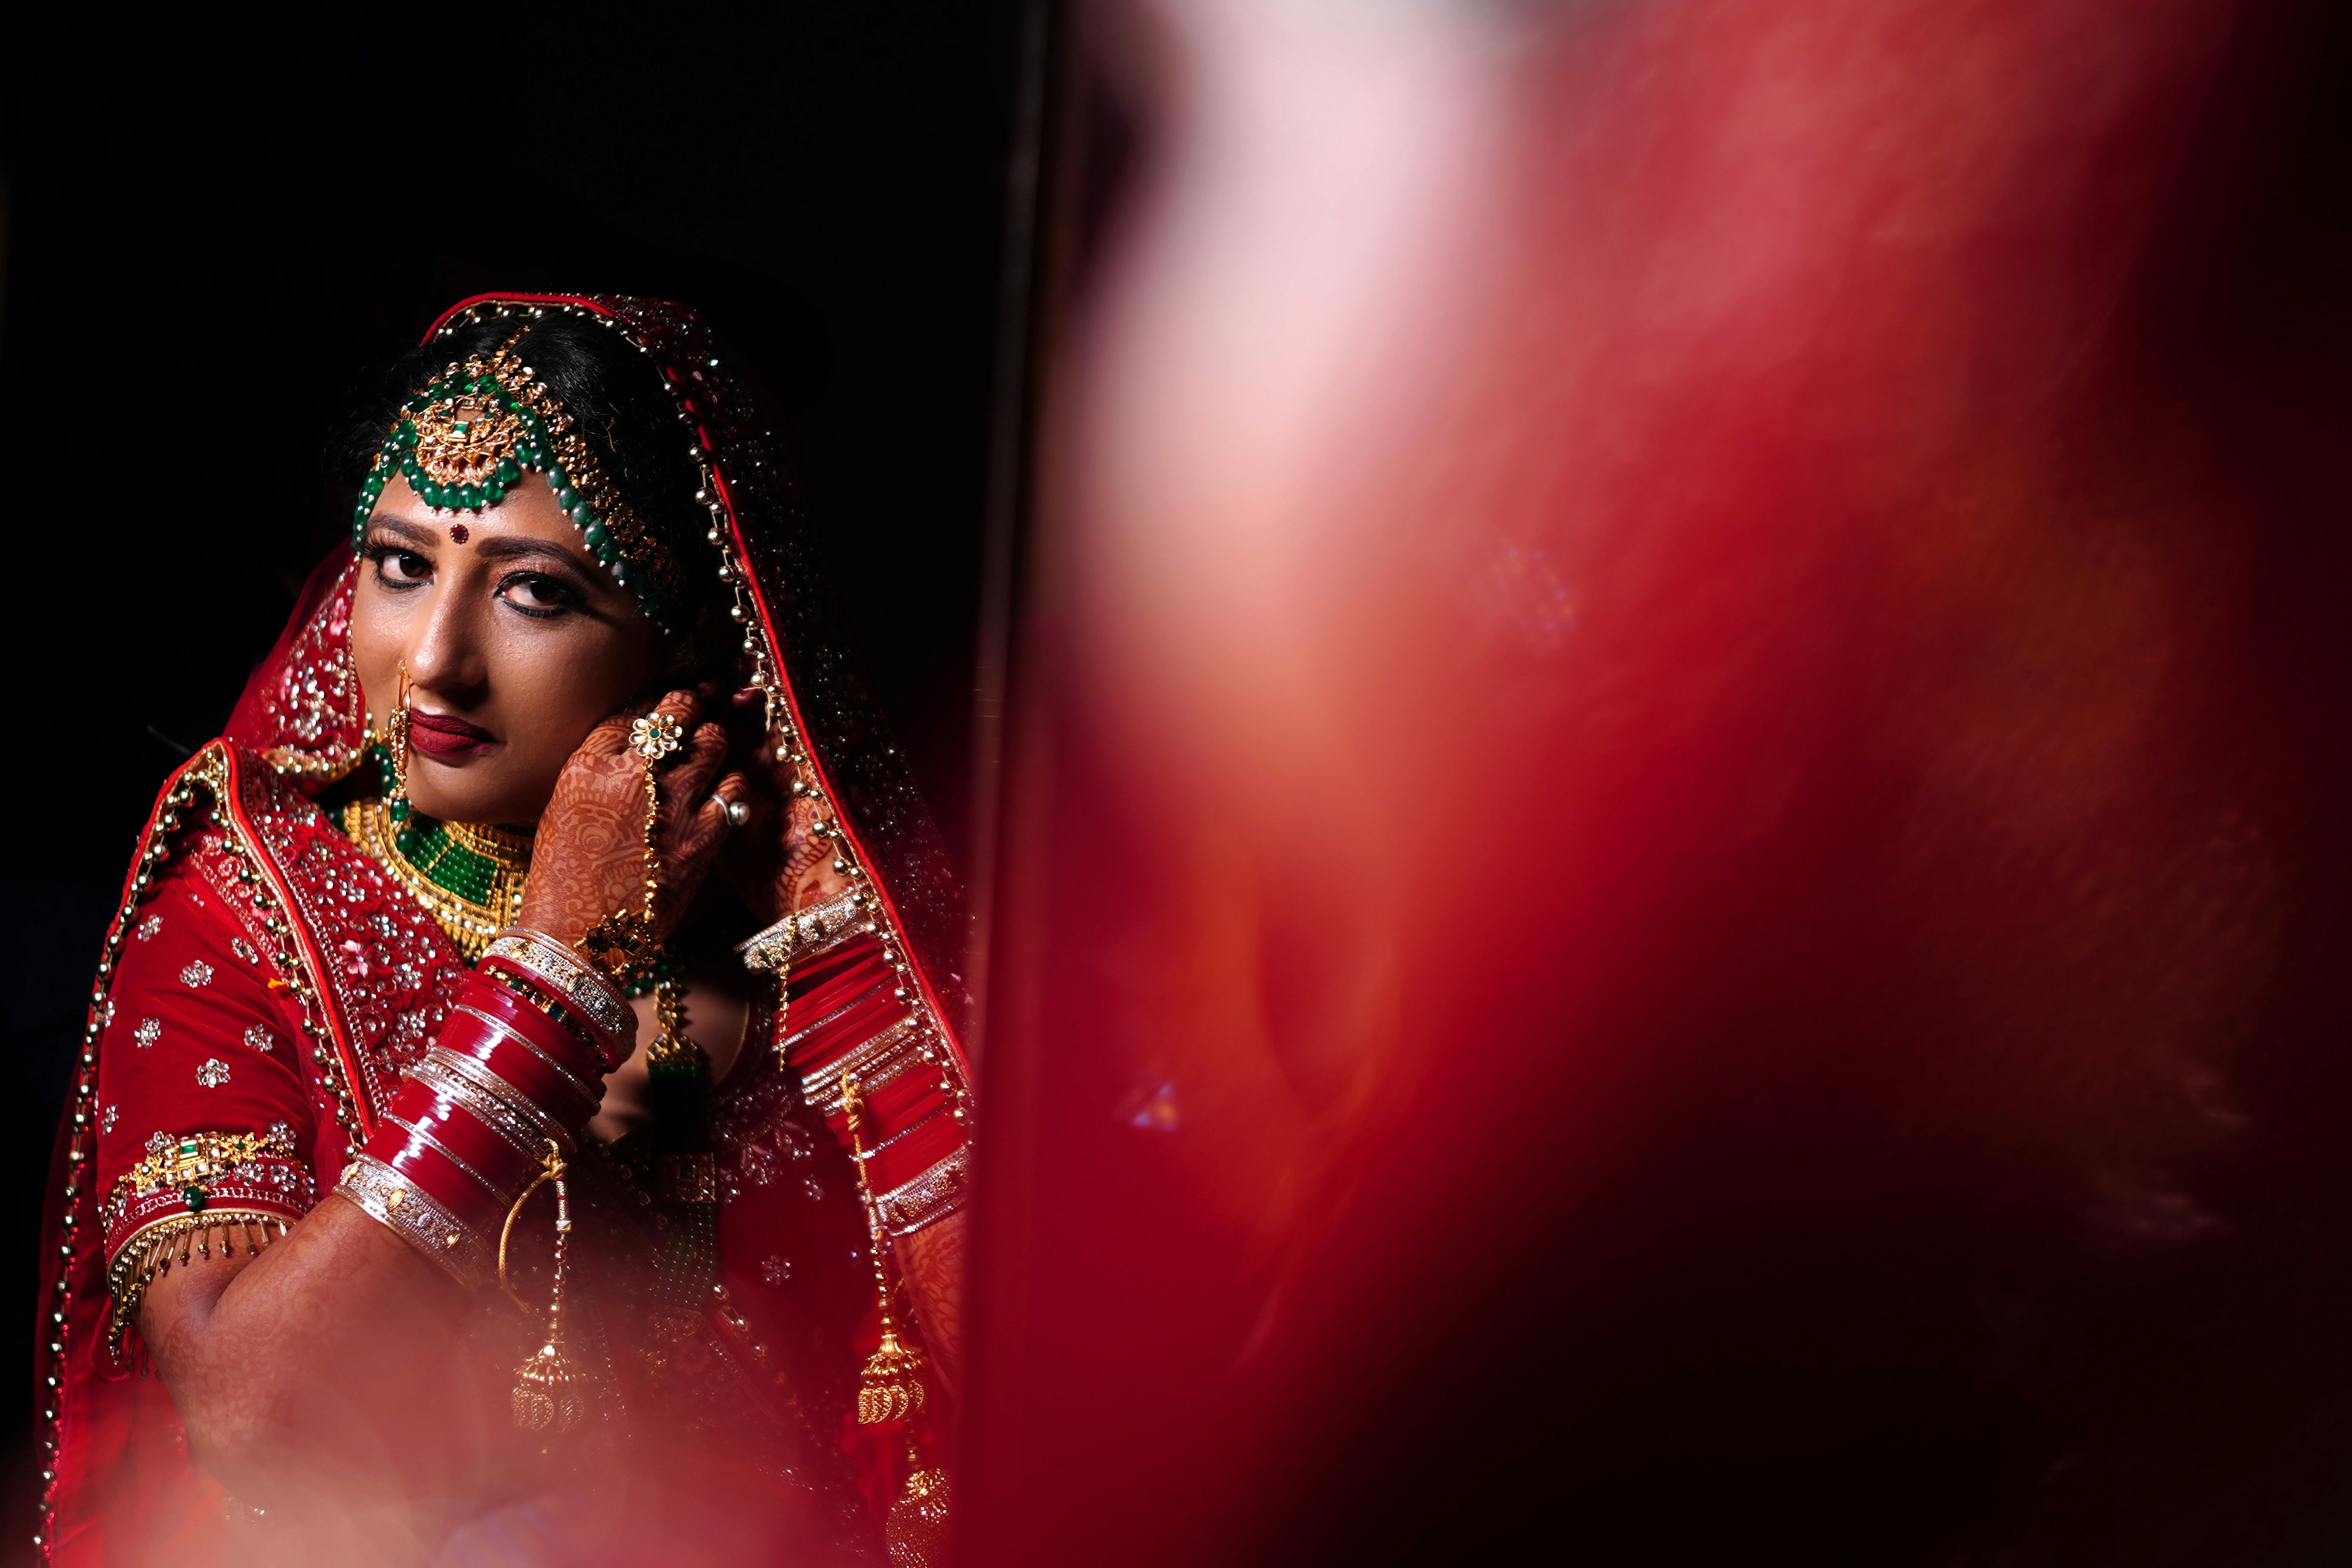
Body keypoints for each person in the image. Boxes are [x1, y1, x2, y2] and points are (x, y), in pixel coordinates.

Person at [32, 296, 975, 1567]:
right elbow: (254, 1415)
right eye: (401, 564)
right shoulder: (244, 906)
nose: (434, 663)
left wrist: (848, 953)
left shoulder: (812, 931)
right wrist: (556, 975)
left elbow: (1054, 1392)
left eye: (534, 592)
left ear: (691, 632)